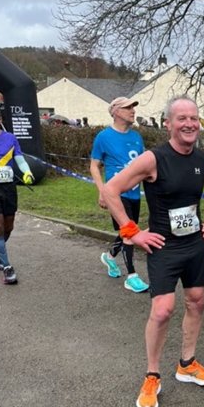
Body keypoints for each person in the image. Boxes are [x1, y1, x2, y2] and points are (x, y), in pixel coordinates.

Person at [101, 96, 204, 407]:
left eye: (194, 118)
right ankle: (152, 375)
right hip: (163, 246)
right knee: (162, 310)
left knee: (197, 301)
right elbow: (110, 190)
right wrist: (132, 232)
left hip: (194, 245)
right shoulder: (153, 159)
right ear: (168, 124)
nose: (189, 124)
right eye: (181, 118)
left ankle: (187, 364)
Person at [90, 97, 149, 293]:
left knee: (127, 231)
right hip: (116, 194)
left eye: (133, 107)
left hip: (134, 194)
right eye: (128, 107)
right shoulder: (103, 137)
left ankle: (110, 256)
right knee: (130, 232)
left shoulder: (137, 138)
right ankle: (131, 276)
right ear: (116, 111)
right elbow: (94, 166)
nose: (132, 111)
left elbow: (144, 167)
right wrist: (102, 191)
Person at [0, 104, 35, 285]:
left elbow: (18, 158)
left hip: (8, 186)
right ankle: (7, 267)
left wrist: (26, 171)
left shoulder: (10, 138)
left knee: (8, 227)